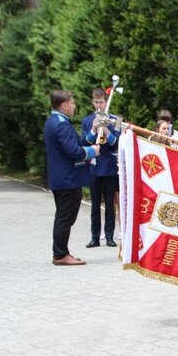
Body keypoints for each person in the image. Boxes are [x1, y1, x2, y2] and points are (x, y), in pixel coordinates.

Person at [44, 90, 100, 266]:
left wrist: (93, 131)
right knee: (65, 218)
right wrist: (93, 151)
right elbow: (74, 151)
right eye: (72, 103)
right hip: (67, 179)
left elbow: (77, 142)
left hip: (60, 178)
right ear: (64, 105)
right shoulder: (62, 125)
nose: (74, 106)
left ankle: (60, 252)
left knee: (63, 217)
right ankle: (61, 254)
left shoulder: (53, 121)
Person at [82, 88, 120, 248]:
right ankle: (95, 237)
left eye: (101, 102)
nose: (99, 105)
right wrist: (93, 129)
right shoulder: (87, 120)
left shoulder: (116, 120)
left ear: (106, 102)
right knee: (95, 204)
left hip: (110, 167)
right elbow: (84, 143)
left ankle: (110, 236)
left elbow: (117, 143)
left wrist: (105, 129)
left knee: (110, 204)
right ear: (93, 102)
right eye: (96, 102)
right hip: (94, 167)